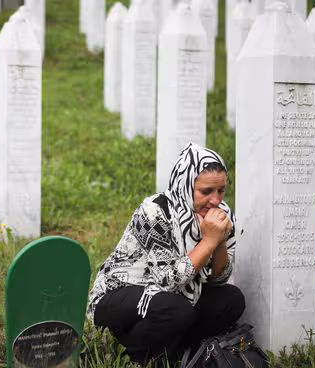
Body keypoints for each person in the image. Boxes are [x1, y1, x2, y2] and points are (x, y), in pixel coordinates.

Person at [87, 143, 245, 366]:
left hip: (176, 298)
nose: (216, 200)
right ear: (185, 186)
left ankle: (179, 349)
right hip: (120, 297)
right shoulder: (155, 211)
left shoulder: (222, 213)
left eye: (221, 190)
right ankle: (134, 354)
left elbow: (218, 279)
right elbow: (167, 280)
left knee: (231, 300)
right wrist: (209, 241)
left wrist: (219, 242)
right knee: (175, 310)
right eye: (206, 191)